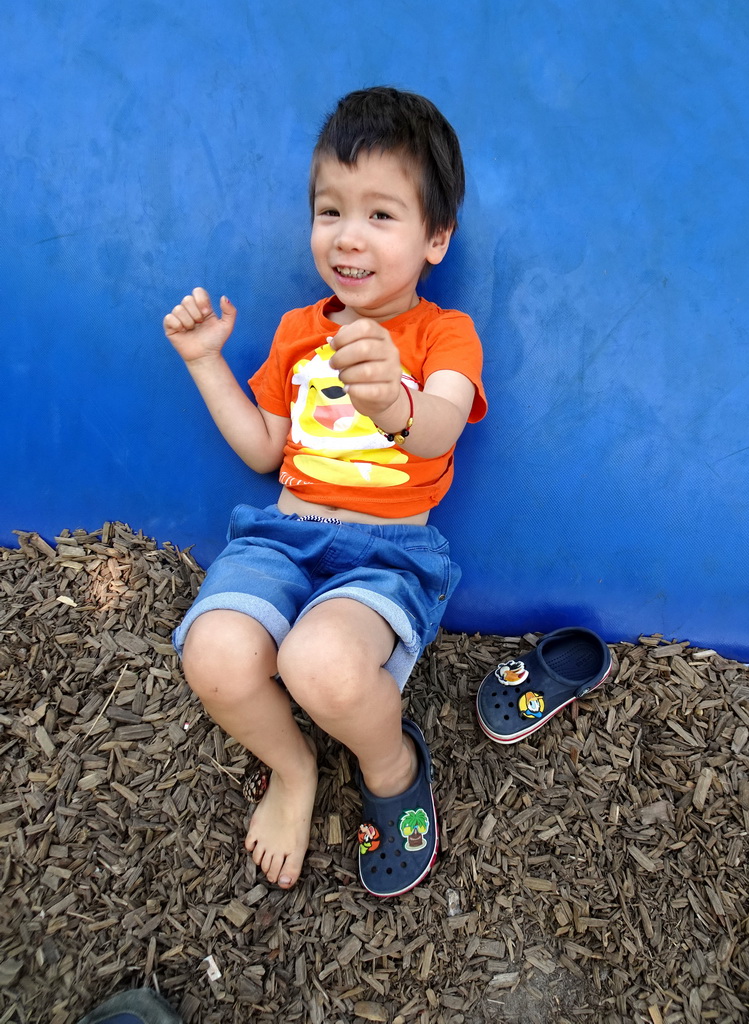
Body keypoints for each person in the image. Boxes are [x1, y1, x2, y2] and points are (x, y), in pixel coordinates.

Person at [163, 86, 486, 898]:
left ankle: (390, 762)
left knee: (321, 663)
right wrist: (206, 362)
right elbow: (266, 448)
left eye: (381, 215)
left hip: (388, 554)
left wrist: (395, 404)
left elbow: (441, 425)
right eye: (330, 210)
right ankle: (294, 768)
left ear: (434, 237)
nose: (348, 237)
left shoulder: (441, 333)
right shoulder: (298, 331)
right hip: (281, 538)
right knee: (215, 653)